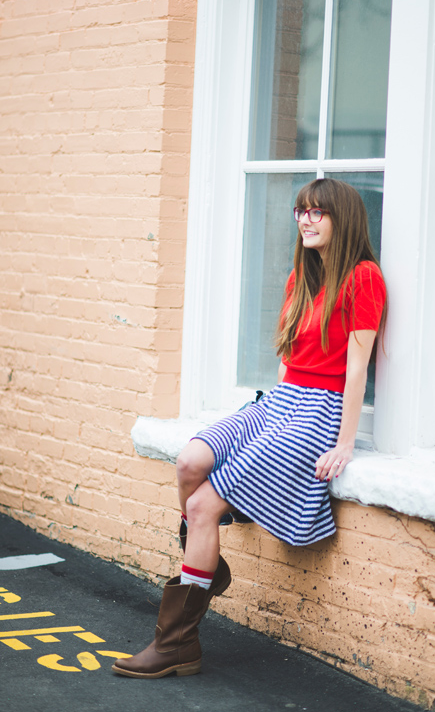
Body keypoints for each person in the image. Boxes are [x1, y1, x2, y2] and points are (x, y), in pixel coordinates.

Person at [112, 178, 386, 679]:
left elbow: (357, 370)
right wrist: (265, 421)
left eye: (317, 212)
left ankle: (175, 643)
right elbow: (288, 363)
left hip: (319, 411)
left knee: (200, 507)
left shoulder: (364, 278)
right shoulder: (300, 278)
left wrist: (344, 442)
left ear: (341, 219)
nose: (304, 219)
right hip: (282, 402)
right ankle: (207, 567)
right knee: (190, 461)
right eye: (301, 211)